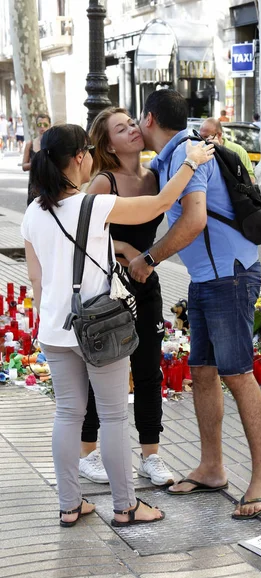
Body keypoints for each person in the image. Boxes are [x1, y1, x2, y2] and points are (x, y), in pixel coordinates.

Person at [21, 123, 214, 526]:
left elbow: (37, 281)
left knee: (68, 415)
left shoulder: (33, 214)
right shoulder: (95, 206)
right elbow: (161, 203)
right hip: (99, 325)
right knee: (111, 416)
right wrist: (191, 163)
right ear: (78, 158)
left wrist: (50, 325)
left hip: (55, 328)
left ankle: (69, 505)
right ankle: (126, 506)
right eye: (88, 150)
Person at [129, 89, 261, 520]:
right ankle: (212, 467)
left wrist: (149, 259)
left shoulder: (187, 155)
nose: (138, 129)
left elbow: (194, 220)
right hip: (208, 278)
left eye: (138, 121)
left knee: (238, 374)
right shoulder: (177, 154)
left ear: (151, 118)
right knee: (203, 371)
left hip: (228, 276)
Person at [78, 107, 174, 487]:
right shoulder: (104, 182)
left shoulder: (155, 177)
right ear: (108, 144)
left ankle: (151, 456)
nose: (133, 129)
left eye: (132, 122)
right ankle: (88, 452)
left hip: (145, 283)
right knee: (101, 370)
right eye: (122, 128)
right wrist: (123, 248)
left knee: (149, 370)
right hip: (108, 287)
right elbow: (82, 232)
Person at [199, 117, 256, 183]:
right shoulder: (201, 150)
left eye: (206, 137)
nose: (202, 141)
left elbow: (251, 180)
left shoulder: (238, 151)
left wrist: (219, 150)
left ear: (219, 135)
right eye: (200, 137)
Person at [22, 113, 51, 205]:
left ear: (49, 126)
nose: (42, 127)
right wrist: (37, 163)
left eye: (45, 124)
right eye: (39, 124)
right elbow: (24, 166)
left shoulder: (53, 144)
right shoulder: (30, 144)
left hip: (49, 184)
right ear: (36, 126)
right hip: (34, 186)